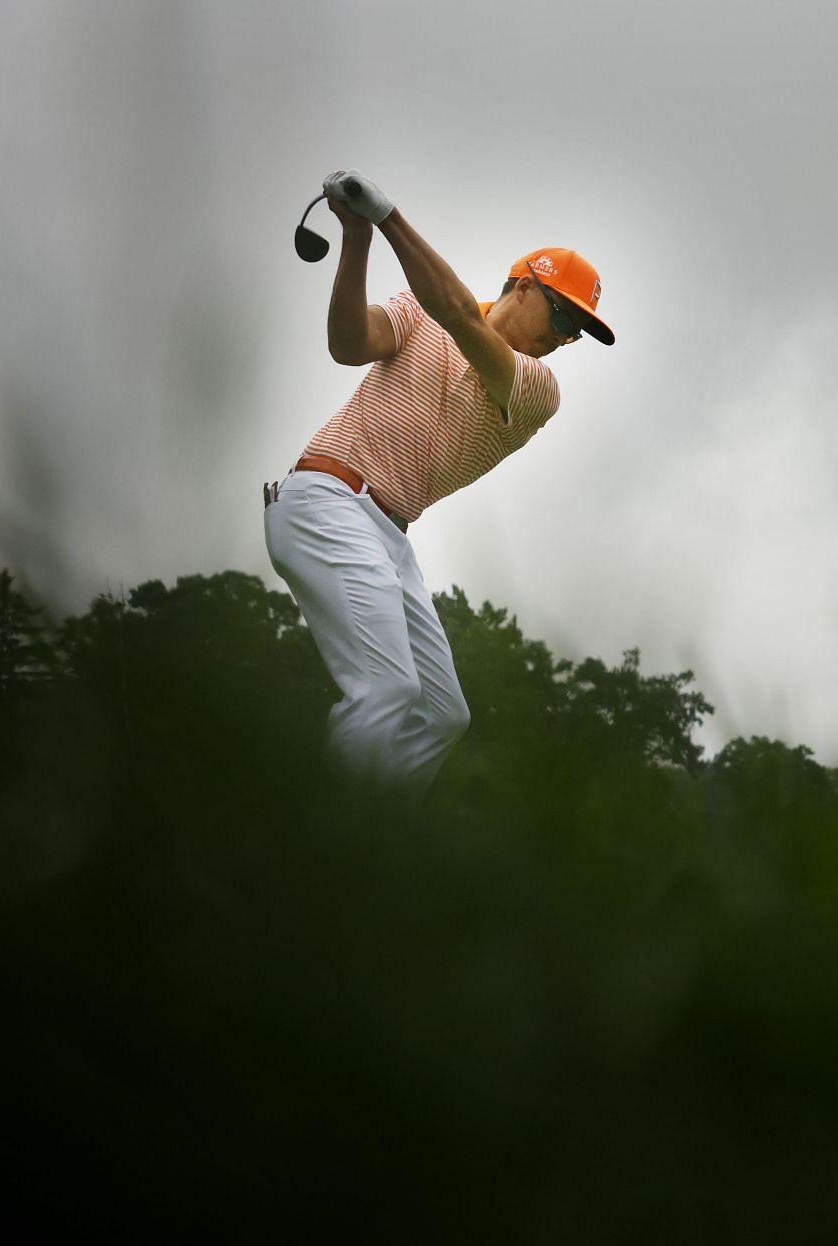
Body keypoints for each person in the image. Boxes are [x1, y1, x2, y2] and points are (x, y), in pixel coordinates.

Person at [263, 170, 614, 794]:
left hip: (388, 534)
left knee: (443, 713)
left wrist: (387, 216)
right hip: (327, 499)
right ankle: (326, 850)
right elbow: (348, 343)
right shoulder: (417, 315)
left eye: (575, 333)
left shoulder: (536, 389)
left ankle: (384, 840)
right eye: (562, 315)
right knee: (388, 687)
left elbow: (454, 312)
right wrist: (358, 241)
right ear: (523, 287)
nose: (562, 339)